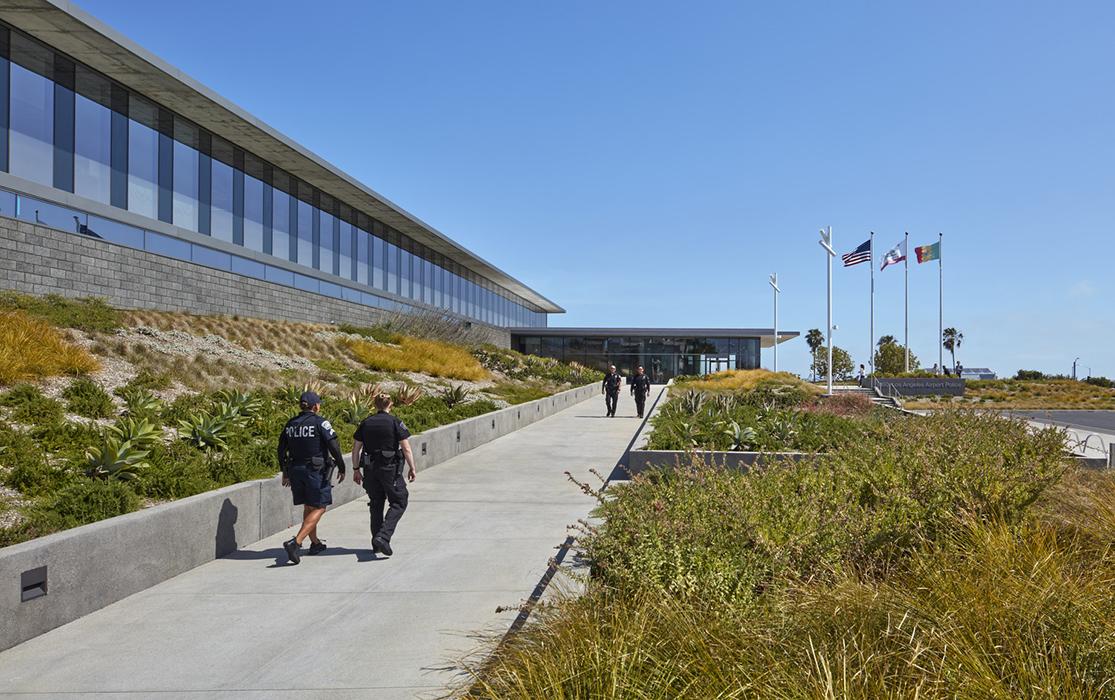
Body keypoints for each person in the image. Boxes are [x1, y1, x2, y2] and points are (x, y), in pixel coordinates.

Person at [277, 391, 346, 565]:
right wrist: (342, 465)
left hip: (295, 470)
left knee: (309, 505)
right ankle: (296, 542)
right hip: (315, 471)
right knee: (320, 506)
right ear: (315, 406)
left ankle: (315, 543)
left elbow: (280, 449)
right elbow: (334, 445)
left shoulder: (290, 424)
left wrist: (284, 471)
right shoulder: (321, 422)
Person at [352, 393, 417, 556]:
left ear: (375, 405)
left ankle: (376, 542)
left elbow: (355, 449)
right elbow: (406, 448)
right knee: (399, 501)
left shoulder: (366, 423)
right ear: (391, 404)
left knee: (376, 503)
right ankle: (383, 536)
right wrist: (412, 467)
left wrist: (355, 470)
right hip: (390, 469)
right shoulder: (395, 422)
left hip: (370, 469)